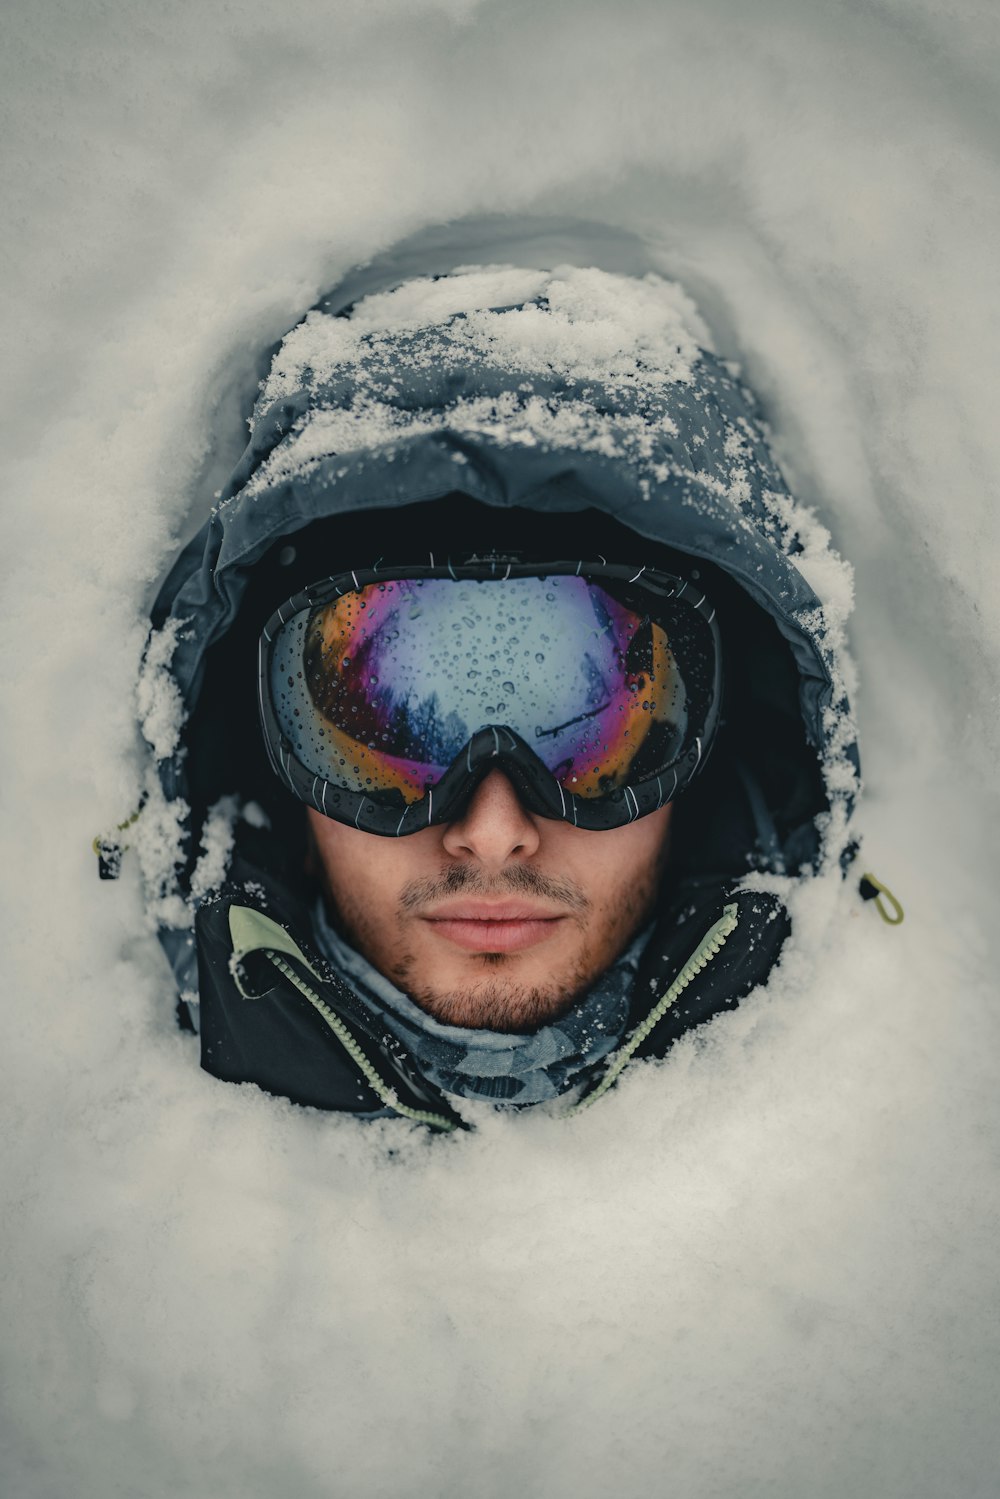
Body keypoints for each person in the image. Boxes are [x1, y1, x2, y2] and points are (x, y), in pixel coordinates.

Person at [123, 262, 859, 1130]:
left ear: (709, 736)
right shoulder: (134, 1117)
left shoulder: (864, 1110)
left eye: (597, 736)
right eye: (386, 726)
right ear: (264, 736)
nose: (493, 831)